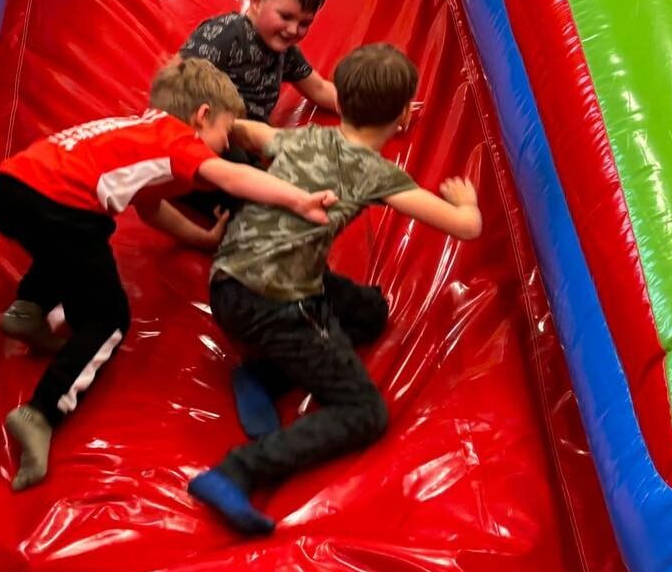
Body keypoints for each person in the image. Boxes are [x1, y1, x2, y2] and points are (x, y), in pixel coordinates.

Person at [0, 59, 336, 492]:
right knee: (108, 318)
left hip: (12, 188)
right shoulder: (179, 140)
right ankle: (41, 412)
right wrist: (298, 200)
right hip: (59, 205)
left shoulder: (141, 133)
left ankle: (29, 308)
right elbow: (231, 175)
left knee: (73, 239)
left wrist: (203, 239)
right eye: (225, 134)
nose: (224, 147)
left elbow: (152, 208)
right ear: (202, 116)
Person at [187, 43, 483, 537]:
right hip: (274, 305)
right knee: (365, 412)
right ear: (403, 116)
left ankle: (261, 374)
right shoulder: (378, 174)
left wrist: (228, 127)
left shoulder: (303, 138)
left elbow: (257, 133)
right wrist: (466, 201)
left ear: (339, 102)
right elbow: (465, 228)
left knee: (370, 312)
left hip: (226, 280)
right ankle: (237, 471)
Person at [177, 0, 339, 227]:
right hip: (209, 135)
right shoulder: (226, 33)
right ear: (256, 1)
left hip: (246, 141)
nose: (293, 30)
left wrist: (374, 108)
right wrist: (220, 128)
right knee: (243, 175)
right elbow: (178, 84)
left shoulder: (285, 52)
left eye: (304, 23)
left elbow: (320, 88)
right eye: (285, 16)